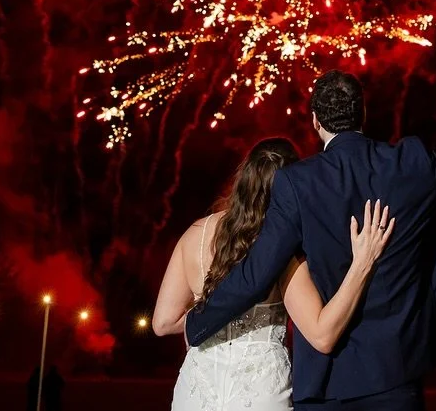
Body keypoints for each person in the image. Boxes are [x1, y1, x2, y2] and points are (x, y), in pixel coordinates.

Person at [186, 72, 436, 411]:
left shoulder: (297, 183)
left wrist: (198, 323)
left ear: (315, 121)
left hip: (327, 381)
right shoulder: (414, 163)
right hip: (397, 374)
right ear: (363, 114)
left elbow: (257, 271)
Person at [153, 137, 396, 411]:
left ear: (244, 176)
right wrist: (362, 263)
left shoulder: (195, 233)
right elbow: (323, 336)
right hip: (258, 391)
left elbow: (162, 323)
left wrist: (212, 321)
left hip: (197, 391)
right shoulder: (281, 255)